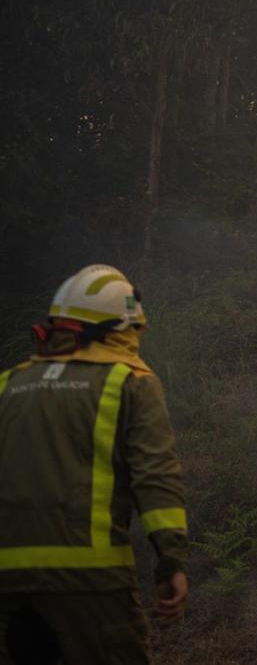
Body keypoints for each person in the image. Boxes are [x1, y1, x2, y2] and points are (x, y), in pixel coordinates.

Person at [0, 265, 189, 664]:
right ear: (116, 328)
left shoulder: (9, 385)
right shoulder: (129, 381)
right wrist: (171, 561)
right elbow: (155, 479)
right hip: (91, 581)